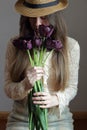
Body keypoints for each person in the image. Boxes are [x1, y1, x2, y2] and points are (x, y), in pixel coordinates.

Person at [4, 0, 80, 130]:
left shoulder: (71, 46)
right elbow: (8, 88)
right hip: (21, 119)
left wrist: (55, 99)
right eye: (32, 18)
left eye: (44, 18)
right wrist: (25, 85)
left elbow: (72, 88)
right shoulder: (15, 44)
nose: (37, 24)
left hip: (58, 119)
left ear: (55, 18)